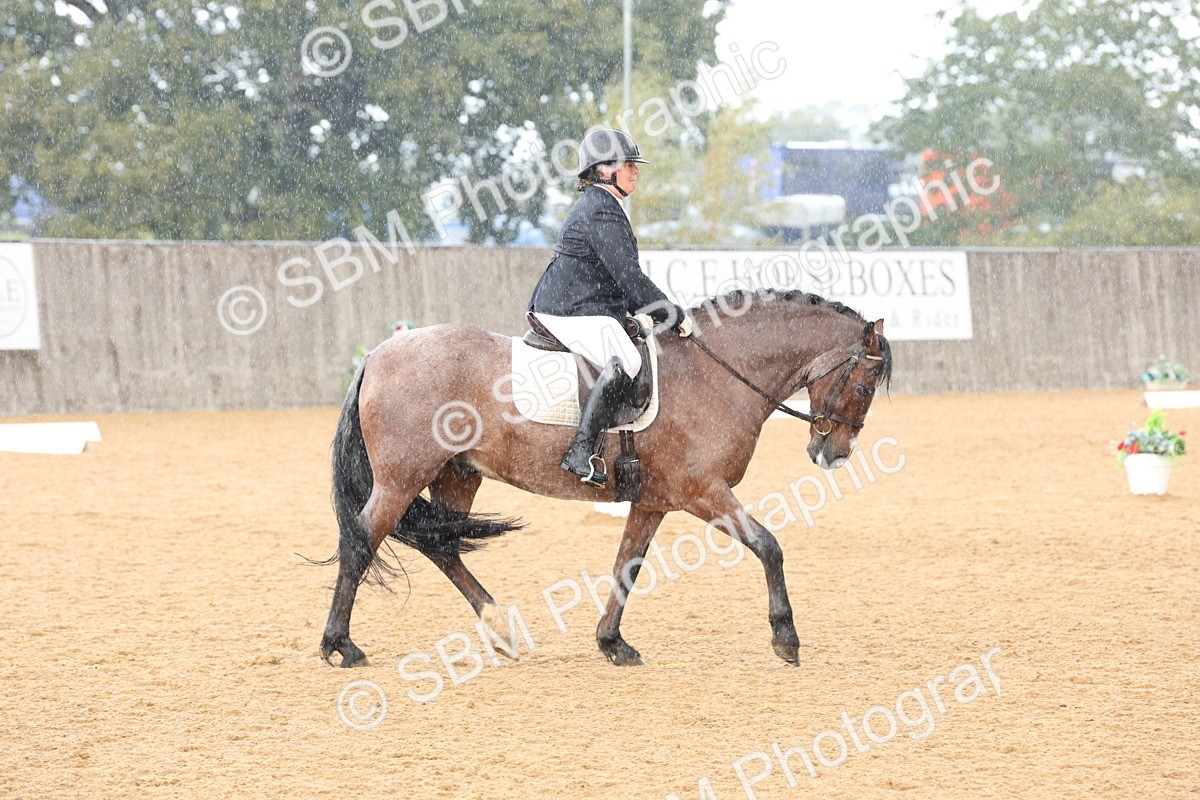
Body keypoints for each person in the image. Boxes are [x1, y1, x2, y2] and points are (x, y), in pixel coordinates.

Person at [527, 128, 692, 487]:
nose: (636, 171)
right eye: (629, 164)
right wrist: (671, 313)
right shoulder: (600, 210)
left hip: (585, 304)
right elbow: (630, 280)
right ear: (605, 170)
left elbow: (623, 283)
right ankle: (580, 451)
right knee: (628, 361)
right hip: (569, 308)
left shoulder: (603, 206)